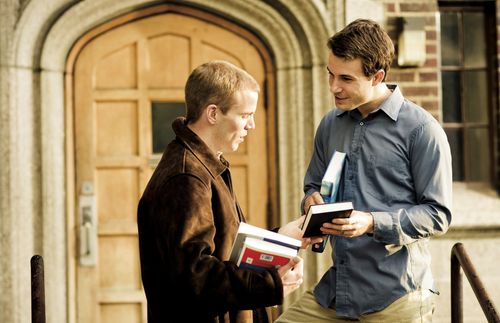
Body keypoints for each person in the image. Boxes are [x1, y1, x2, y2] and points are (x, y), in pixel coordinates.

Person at [276, 19, 452, 322]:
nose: (333, 87)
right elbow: (312, 186)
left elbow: (438, 215)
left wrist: (371, 222)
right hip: (336, 292)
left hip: (398, 298)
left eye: (346, 78)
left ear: (377, 76)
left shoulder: (422, 130)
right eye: (330, 74)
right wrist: (311, 202)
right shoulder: (330, 124)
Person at [137, 60, 310, 323]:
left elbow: (226, 249)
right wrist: (270, 284)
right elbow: (194, 276)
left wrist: (282, 239)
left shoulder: (205, 164)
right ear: (213, 114)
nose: (251, 125)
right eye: (244, 115)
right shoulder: (187, 176)